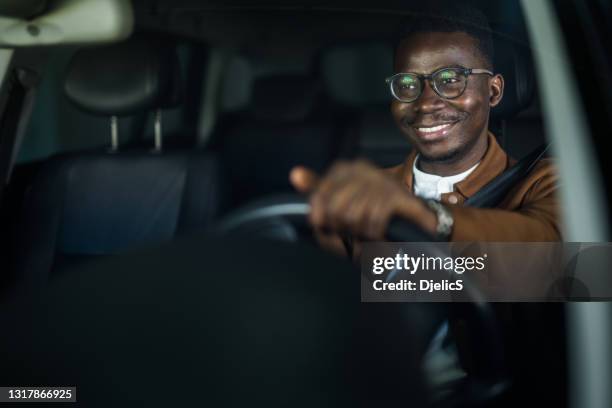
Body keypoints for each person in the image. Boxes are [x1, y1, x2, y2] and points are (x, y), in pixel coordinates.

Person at [289, 6, 561, 250]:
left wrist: (431, 218)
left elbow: (570, 267)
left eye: (451, 80)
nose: (426, 104)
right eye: (407, 84)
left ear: (493, 91)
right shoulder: (367, 195)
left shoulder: (546, 182)